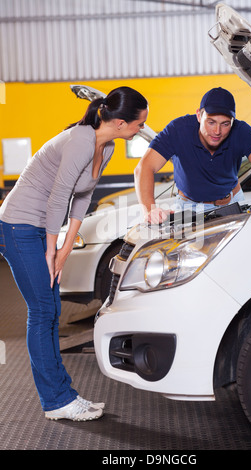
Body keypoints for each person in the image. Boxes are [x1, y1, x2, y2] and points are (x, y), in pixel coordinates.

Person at [0, 86, 148, 421]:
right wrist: (53, 249)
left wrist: (66, 247)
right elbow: (58, 197)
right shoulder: (81, 139)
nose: (140, 129)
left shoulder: (105, 147)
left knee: (50, 310)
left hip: (40, 228)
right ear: (122, 123)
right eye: (139, 124)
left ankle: (62, 395)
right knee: (42, 311)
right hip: (18, 225)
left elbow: (82, 199)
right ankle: (56, 401)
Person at [134, 87, 251, 224]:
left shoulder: (241, 131)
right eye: (211, 122)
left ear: (233, 121)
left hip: (232, 203)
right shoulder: (178, 130)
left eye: (225, 124)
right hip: (188, 208)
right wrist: (149, 210)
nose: (217, 131)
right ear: (199, 115)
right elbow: (144, 167)